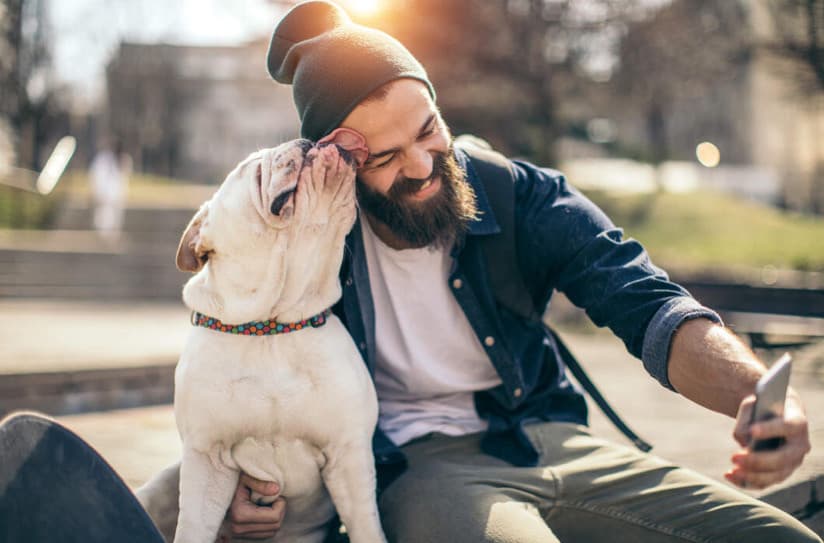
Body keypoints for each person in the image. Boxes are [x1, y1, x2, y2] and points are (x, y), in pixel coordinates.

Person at [0, 1, 818, 542]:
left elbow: (646, 301)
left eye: (428, 130)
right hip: (421, 470)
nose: (424, 165)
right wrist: (246, 487)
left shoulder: (513, 192)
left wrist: (750, 396)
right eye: (384, 159)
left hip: (549, 435)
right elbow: (239, 366)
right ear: (336, 168)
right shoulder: (310, 242)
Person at [89, 137, 131, 242]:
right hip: (105, 193)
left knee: (114, 217)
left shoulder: (124, 159)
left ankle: (111, 237)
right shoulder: (103, 159)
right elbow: (97, 175)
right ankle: (103, 238)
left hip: (117, 194)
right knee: (104, 217)